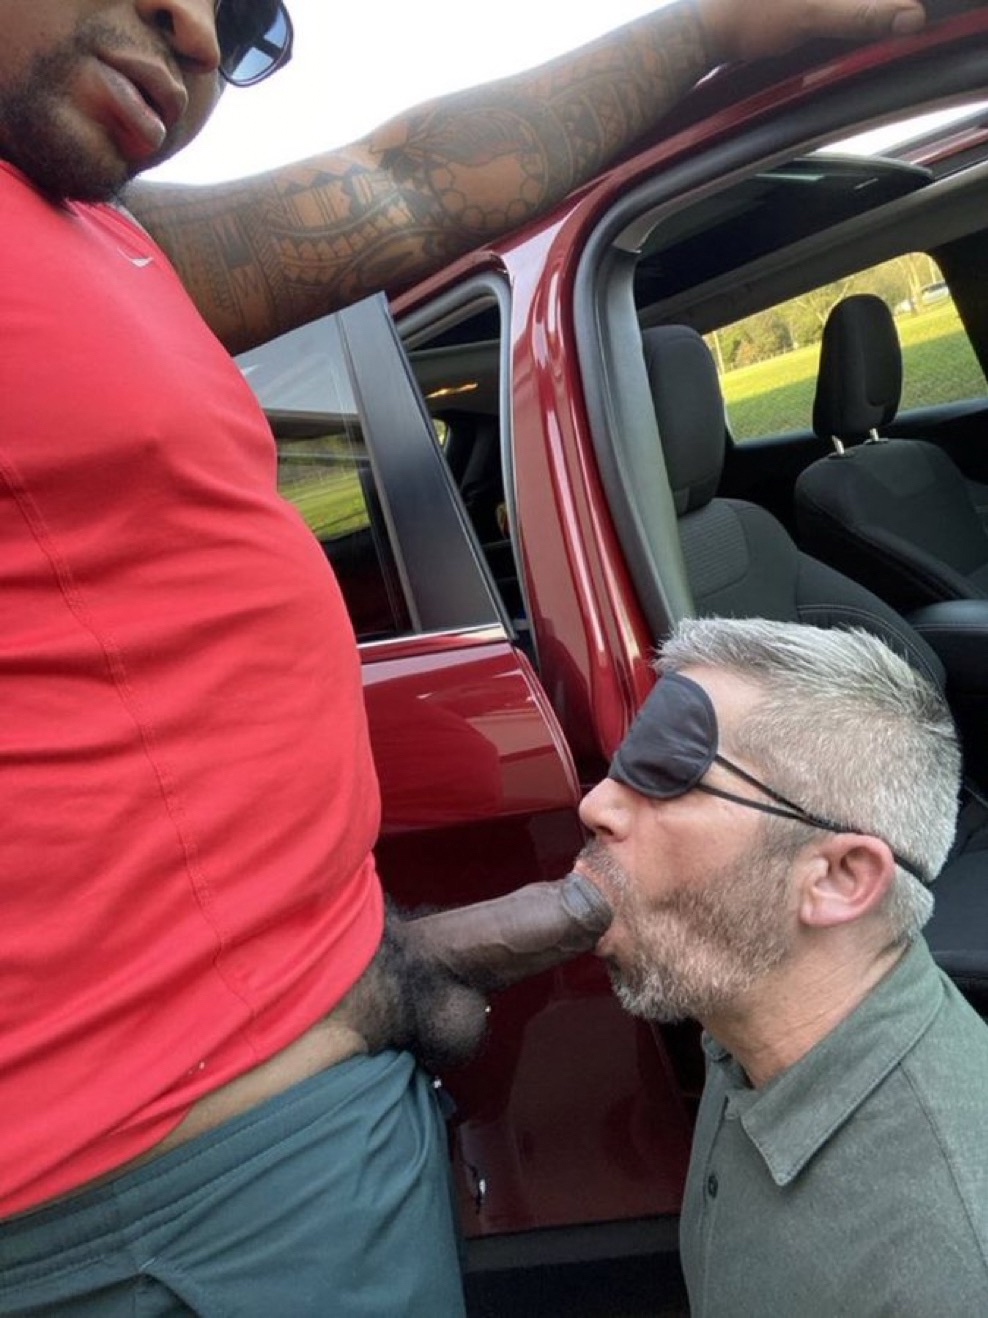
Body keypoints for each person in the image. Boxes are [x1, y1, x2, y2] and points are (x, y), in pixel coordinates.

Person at [0, 1, 940, 1312]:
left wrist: (721, 25)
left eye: (248, 20)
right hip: (158, 1218)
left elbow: (397, 179)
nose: (200, 33)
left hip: (288, 1143)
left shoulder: (114, 242)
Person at [577, 616, 988, 1316]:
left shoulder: (949, 1266)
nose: (596, 804)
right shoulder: (748, 1018)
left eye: (669, 774)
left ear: (839, 878)